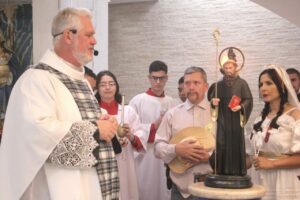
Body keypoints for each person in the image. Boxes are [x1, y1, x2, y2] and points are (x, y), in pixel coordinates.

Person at [0, 7, 119, 200]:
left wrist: (103, 123)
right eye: (89, 34)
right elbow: (35, 135)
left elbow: (78, 120)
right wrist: (96, 130)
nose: (94, 41)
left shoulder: (81, 81)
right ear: (68, 36)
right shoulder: (36, 79)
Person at [154, 66, 213, 200]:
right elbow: (157, 148)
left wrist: (209, 157)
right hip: (179, 191)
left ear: (205, 86)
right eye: (187, 83)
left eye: (196, 83)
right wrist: (176, 149)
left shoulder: (218, 114)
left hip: (210, 187)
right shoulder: (172, 114)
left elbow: (228, 149)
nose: (191, 87)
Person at [246, 65, 300, 200]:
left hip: (285, 181)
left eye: (269, 83)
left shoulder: (295, 116)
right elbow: (250, 157)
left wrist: (271, 163)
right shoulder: (260, 119)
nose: (263, 88)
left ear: (281, 85)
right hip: (259, 179)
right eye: (261, 84)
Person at [129, 60, 177, 200]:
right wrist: (154, 126)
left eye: (161, 78)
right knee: (144, 190)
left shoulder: (172, 103)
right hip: (144, 158)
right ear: (149, 78)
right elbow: (131, 132)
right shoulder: (138, 101)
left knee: (163, 191)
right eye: (154, 78)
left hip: (164, 158)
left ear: (166, 78)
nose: (157, 82)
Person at [95, 70, 146, 200]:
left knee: (126, 192)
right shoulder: (94, 113)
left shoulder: (128, 111)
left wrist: (130, 136)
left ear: (116, 86)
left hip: (124, 163)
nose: (107, 87)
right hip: (102, 164)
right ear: (97, 88)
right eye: (103, 84)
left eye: (111, 83)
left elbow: (140, 140)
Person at [208, 47, 253, 177]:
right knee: (221, 142)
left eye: (231, 68)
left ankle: (237, 170)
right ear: (223, 69)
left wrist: (241, 107)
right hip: (223, 118)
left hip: (235, 119)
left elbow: (248, 100)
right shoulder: (218, 85)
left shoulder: (242, 84)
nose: (228, 70)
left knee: (236, 144)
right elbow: (212, 100)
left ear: (235, 68)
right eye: (226, 68)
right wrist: (214, 102)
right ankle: (221, 170)